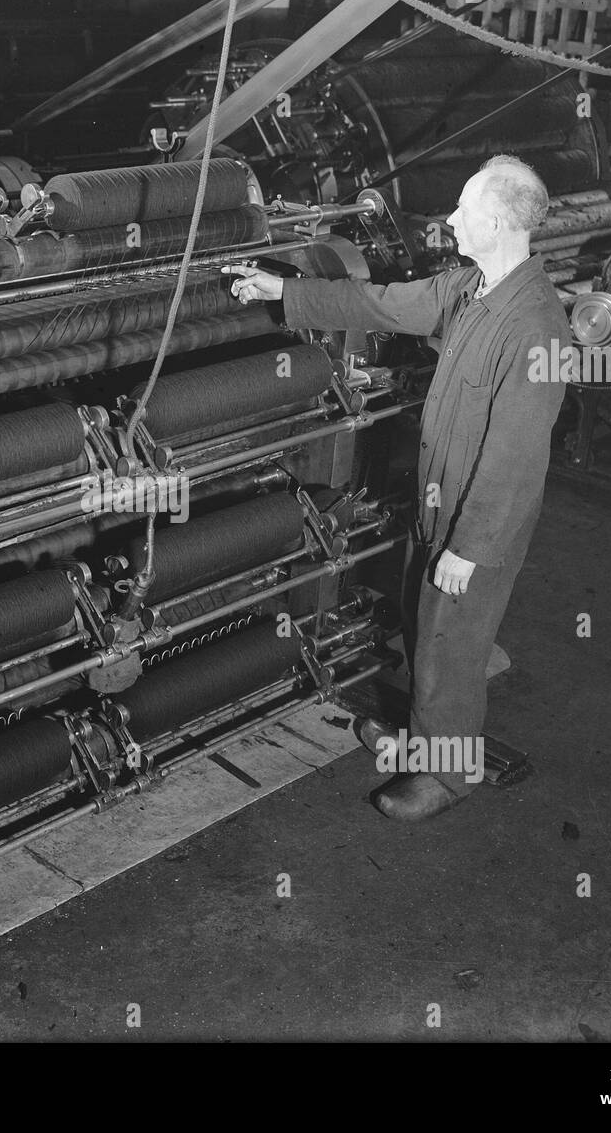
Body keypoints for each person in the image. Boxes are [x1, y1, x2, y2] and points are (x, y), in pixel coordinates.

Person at [224, 154, 570, 821]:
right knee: (421, 626)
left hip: (478, 529)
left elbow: (516, 457)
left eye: (464, 208)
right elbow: (380, 303)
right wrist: (283, 293)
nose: (451, 217)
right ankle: (421, 741)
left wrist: (469, 547)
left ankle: (444, 777)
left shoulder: (533, 328)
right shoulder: (472, 288)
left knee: (452, 645)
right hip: (440, 505)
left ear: (495, 221)